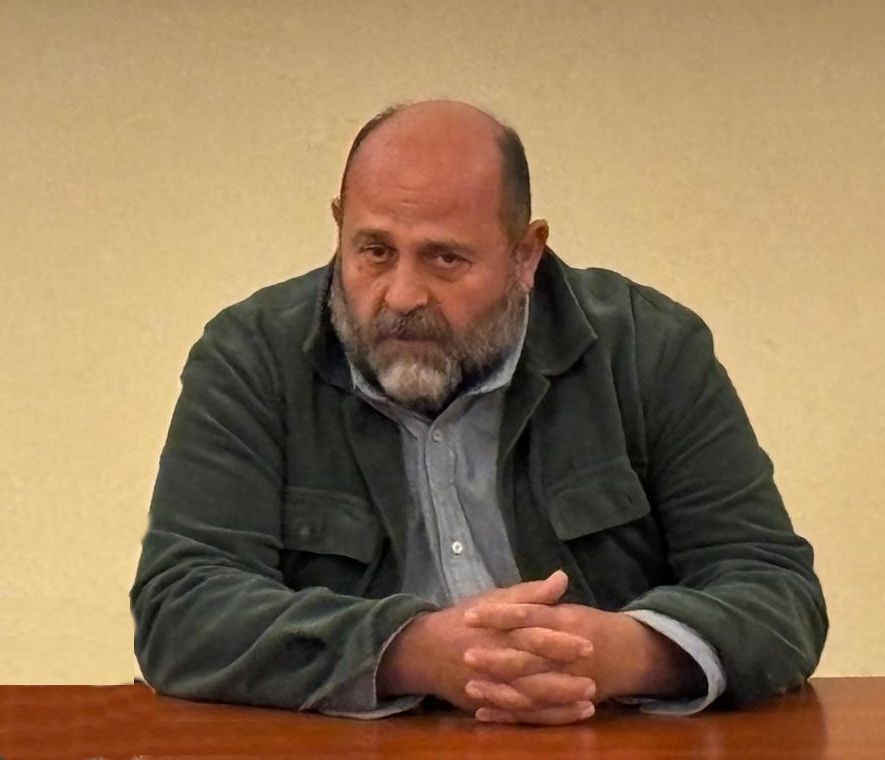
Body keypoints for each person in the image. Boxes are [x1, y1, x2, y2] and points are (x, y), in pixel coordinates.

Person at [130, 100, 827, 725]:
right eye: (374, 251)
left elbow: (773, 589)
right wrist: (411, 651)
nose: (402, 295)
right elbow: (183, 608)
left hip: (598, 739)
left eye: (445, 259)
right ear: (339, 227)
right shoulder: (252, 357)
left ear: (525, 256)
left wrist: (627, 653)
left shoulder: (649, 350)